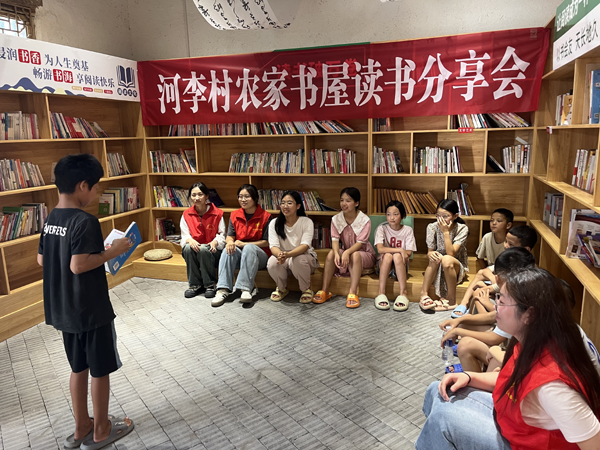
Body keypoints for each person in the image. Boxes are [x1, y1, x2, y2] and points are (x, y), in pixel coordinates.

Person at [416, 268, 600, 450]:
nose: (495, 306)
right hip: (512, 426)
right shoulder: (534, 340)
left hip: (522, 443)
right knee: (437, 389)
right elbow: (514, 378)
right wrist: (470, 377)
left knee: (443, 417)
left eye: (502, 301)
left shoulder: (554, 387)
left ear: (529, 314)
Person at [37, 154, 134, 450]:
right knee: (100, 369)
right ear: (82, 186)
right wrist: (113, 250)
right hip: (90, 308)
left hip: (63, 307)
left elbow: (42, 259)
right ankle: (102, 429)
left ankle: (82, 426)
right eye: (96, 186)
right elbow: (78, 265)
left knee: (78, 367)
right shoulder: (85, 220)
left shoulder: (51, 218)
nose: (98, 191)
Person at [440, 247, 536, 373]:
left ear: (498, 278)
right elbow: (493, 315)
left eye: (501, 301)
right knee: (466, 324)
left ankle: (474, 378)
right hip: (515, 352)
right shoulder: (524, 288)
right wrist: (460, 321)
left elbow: (494, 338)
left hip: (522, 362)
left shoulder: (518, 300)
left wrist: (458, 330)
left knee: (468, 345)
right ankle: (473, 372)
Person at [453, 223, 537, 318]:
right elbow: (485, 271)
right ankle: (465, 305)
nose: (506, 246)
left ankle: (473, 318)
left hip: (508, 311)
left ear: (526, 249)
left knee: (479, 295)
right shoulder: (510, 258)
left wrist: (487, 289)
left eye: (511, 244)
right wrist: (494, 280)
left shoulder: (522, 269)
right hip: (502, 296)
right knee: (480, 284)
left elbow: (508, 292)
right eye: (506, 241)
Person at [313, 187, 376, 308]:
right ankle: (325, 290)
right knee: (332, 253)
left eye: (348, 200)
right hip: (347, 251)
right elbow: (335, 240)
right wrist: (337, 253)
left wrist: (347, 252)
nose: (343, 204)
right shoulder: (336, 219)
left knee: (355, 255)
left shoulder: (365, 220)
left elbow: (360, 243)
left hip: (364, 253)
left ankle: (353, 292)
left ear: (356, 203)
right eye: (342, 200)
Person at [213, 184, 271, 306]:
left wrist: (245, 244)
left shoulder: (266, 216)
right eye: (240, 196)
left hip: (260, 255)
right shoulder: (234, 215)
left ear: (255, 198)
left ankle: (245, 289)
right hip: (241, 253)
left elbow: (267, 242)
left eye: (247, 196)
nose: (243, 200)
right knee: (227, 250)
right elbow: (230, 236)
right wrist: (230, 242)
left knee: (249, 248)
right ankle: (222, 289)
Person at [452, 208, 513, 318]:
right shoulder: (487, 237)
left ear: (508, 225)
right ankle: (464, 303)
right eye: (491, 220)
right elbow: (479, 257)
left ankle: (472, 308)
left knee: (481, 277)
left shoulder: (510, 242)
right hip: (491, 271)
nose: (494, 223)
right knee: (481, 273)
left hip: (505, 275)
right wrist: (488, 273)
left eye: (499, 221)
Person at [267, 191, 320, 303]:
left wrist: (288, 255)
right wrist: (280, 255)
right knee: (272, 262)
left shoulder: (306, 222)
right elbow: (273, 246)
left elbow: (305, 246)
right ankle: (281, 288)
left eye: (289, 203)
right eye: (283, 203)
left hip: (304, 257)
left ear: (298, 206)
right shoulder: (274, 223)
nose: (285, 206)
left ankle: (306, 289)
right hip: (284, 257)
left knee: (298, 260)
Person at [419, 199, 469, 312]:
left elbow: (451, 253)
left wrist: (446, 232)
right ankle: (424, 294)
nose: (441, 219)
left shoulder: (462, 228)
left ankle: (451, 300)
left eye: (445, 216)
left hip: (455, 266)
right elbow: (429, 251)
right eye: (438, 215)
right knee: (436, 257)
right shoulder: (432, 227)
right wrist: (431, 254)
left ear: (455, 216)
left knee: (446, 259)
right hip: (437, 266)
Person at [180, 182, 226, 299]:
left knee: (204, 250)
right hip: (195, 250)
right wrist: (189, 240)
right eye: (193, 195)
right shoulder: (186, 214)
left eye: (200, 194)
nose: (197, 198)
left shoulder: (217, 213)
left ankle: (210, 285)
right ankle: (195, 285)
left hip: (213, 251)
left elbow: (222, 234)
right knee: (187, 248)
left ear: (207, 196)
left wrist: (215, 242)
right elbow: (184, 235)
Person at [373, 200, 417, 311]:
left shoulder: (408, 230)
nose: (391, 217)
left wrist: (400, 253)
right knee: (388, 255)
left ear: (402, 215)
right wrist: (400, 250)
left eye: (395, 214)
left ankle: (403, 293)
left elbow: (409, 252)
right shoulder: (382, 228)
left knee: (397, 256)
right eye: (388, 214)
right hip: (384, 263)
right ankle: (381, 293)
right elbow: (380, 249)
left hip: (400, 264)